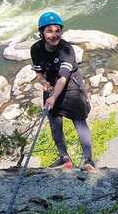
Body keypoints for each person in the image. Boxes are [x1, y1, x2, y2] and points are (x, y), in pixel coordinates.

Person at [29, 11, 95, 171]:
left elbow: (63, 78)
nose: (54, 35)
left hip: (71, 87)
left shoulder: (66, 49)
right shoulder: (36, 49)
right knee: (54, 122)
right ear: (42, 33)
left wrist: (52, 97)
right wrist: (45, 84)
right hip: (51, 86)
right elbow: (39, 72)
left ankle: (88, 160)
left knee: (79, 121)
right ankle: (64, 158)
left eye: (58, 31)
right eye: (49, 31)